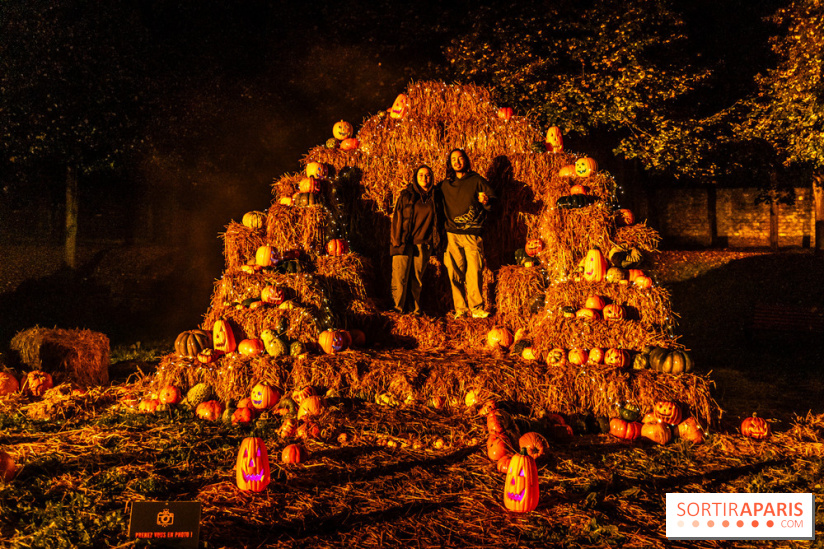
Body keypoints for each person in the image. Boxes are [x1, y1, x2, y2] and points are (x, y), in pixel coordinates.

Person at [437, 148, 496, 319]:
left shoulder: (476, 180)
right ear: (450, 163)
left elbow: (492, 198)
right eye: (453, 159)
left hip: (472, 233)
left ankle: (476, 308)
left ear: (466, 160)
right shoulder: (445, 185)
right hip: (452, 234)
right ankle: (460, 309)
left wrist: (486, 201)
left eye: (460, 158)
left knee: (474, 271)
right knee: (454, 272)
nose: (457, 162)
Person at [389, 165, 439, 316]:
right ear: (415, 178)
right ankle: (397, 310)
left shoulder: (435, 197)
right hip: (404, 242)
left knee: (416, 280)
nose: (424, 178)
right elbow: (397, 218)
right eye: (421, 175)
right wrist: (396, 241)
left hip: (423, 243)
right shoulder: (406, 195)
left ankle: (414, 310)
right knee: (400, 278)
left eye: (428, 175)